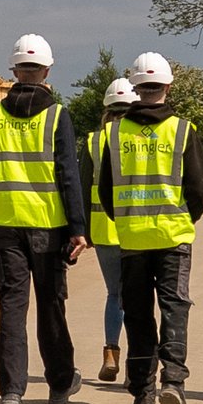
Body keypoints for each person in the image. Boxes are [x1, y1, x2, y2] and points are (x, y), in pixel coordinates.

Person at [0, 33, 86, 404]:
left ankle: (11, 391)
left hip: (6, 226)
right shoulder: (56, 116)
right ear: (47, 70)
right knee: (51, 307)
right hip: (48, 228)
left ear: (16, 71)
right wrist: (77, 227)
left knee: (12, 309)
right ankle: (59, 383)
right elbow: (68, 175)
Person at [98, 52, 203, 404]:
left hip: (131, 238)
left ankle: (143, 393)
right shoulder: (182, 130)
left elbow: (104, 188)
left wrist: (127, 219)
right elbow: (199, 189)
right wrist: (182, 219)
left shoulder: (114, 132)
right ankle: (173, 383)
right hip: (173, 237)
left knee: (138, 314)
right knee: (175, 308)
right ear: (167, 85)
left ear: (135, 87)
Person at [79, 78, 139, 382]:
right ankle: (136, 367)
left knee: (115, 294)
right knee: (139, 297)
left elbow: (81, 186)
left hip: (103, 230)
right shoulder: (140, 138)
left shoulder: (93, 141)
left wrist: (83, 232)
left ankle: (111, 354)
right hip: (138, 229)